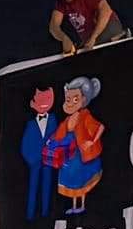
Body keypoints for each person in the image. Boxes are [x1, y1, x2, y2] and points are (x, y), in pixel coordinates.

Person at [44, 76, 104, 216]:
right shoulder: (67, 120)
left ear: (84, 99)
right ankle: (74, 205)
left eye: (75, 99)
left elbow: (100, 127)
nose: (70, 103)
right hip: (68, 154)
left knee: (81, 179)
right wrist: (51, 140)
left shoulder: (85, 116)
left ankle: (81, 205)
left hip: (80, 155)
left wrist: (92, 141)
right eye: (68, 99)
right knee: (71, 179)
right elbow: (59, 133)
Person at [49, 0, 128, 54]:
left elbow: (106, 11)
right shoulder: (61, 1)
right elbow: (53, 27)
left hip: (108, 26)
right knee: (80, 50)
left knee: (84, 51)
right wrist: (64, 38)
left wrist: (94, 37)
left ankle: (120, 36)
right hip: (89, 38)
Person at [21, 87, 58, 220]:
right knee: (33, 187)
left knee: (47, 186)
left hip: (48, 160)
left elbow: (58, 137)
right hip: (35, 161)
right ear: (33, 103)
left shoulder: (53, 120)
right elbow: (25, 143)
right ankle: (31, 214)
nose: (43, 103)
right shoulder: (30, 124)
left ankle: (45, 213)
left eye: (47, 98)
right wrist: (31, 159)